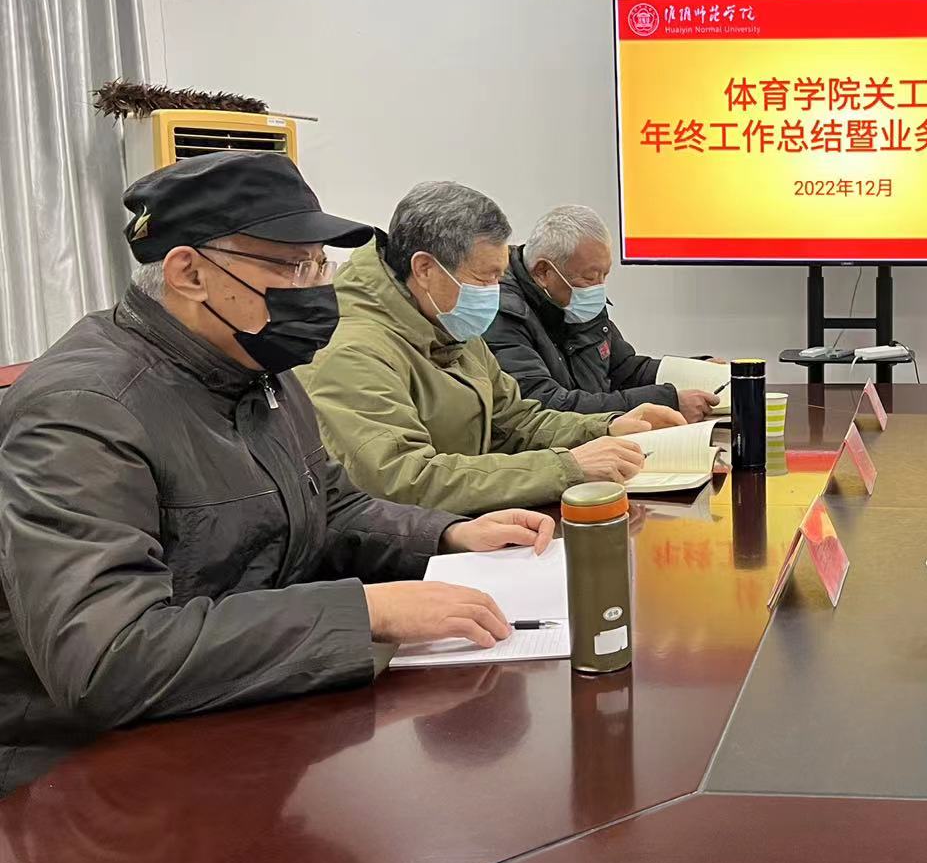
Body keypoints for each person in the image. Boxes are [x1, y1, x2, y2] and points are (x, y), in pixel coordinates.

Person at [0, 152, 562, 794]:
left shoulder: (259, 371)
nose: (317, 288)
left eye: (320, 264)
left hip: (242, 724)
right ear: (189, 272)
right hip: (85, 779)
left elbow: (332, 505)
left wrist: (446, 535)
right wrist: (365, 612)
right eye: (293, 266)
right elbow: (107, 657)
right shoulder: (84, 411)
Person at [307, 183, 682, 516]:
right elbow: (404, 480)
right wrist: (566, 468)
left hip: (469, 526)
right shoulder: (352, 352)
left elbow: (515, 420)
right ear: (424, 269)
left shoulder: (449, 323)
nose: (494, 292)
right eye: (484, 278)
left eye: (499, 277)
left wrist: (607, 427)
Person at [486, 205, 722, 422]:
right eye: (590, 277)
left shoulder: (575, 299)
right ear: (543, 272)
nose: (598, 288)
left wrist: (697, 371)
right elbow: (547, 404)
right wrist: (668, 402)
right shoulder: (500, 313)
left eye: (604, 275)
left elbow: (623, 370)